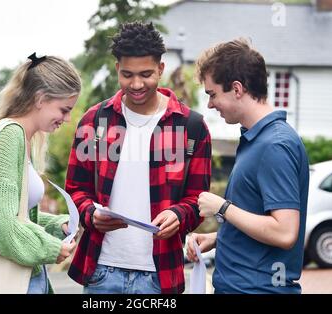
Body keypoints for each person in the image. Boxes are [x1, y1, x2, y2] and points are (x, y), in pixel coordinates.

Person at [65, 22, 212, 294]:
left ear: (161, 69)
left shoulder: (191, 128)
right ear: (117, 69)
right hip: (101, 273)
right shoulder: (94, 122)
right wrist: (90, 214)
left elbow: (199, 200)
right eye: (127, 74)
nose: (136, 84)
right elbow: (75, 190)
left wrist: (179, 214)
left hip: (160, 276)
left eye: (146, 74)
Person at [187, 39, 309, 294]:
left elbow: (285, 232)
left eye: (212, 94)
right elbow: (261, 221)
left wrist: (222, 208)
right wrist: (218, 239)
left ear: (237, 88)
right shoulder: (258, 139)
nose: (209, 104)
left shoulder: (274, 146)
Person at [0, 53, 81, 294]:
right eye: (64, 109)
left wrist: (56, 225)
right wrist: (48, 248)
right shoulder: (10, 136)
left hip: (21, 277)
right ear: (40, 98)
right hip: (9, 281)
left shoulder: (24, 138)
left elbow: (15, 215)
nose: (67, 118)